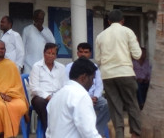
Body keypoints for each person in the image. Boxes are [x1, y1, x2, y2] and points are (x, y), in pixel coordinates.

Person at [95, 9, 142, 138]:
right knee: (132, 103)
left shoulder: (100, 36)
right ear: (122, 21)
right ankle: (135, 134)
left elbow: (98, 60)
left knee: (115, 107)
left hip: (108, 75)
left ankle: (119, 135)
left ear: (108, 21)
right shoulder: (128, 32)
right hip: (125, 72)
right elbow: (137, 55)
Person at [46, 57, 101, 138]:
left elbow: (49, 132)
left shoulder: (56, 96)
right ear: (83, 77)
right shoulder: (81, 96)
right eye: (92, 78)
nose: (93, 83)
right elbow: (89, 133)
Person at [65, 42, 110, 136]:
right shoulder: (69, 67)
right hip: (76, 98)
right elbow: (66, 84)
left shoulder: (95, 68)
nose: (83, 54)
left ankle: (97, 130)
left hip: (94, 98)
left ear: (90, 54)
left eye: (86, 52)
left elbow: (99, 86)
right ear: (77, 53)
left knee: (108, 105)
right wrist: (85, 98)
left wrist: (96, 97)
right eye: (80, 52)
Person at [28, 43, 65, 132]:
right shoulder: (37, 66)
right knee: (40, 103)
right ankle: (49, 131)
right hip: (41, 98)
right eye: (48, 53)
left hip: (57, 97)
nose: (50, 56)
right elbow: (34, 88)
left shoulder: (61, 67)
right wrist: (48, 97)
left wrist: (58, 97)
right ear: (44, 53)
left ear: (56, 56)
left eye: (53, 54)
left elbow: (65, 85)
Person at [22, 9, 55, 74]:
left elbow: (53, 43)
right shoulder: (27, 30)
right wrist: (22, 64)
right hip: (29, 64)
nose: (40, 21)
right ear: (34, 18)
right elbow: (22, 47)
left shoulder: (46, 30)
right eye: (38, 19)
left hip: (43, 64)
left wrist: (42, 30)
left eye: (41, 19)